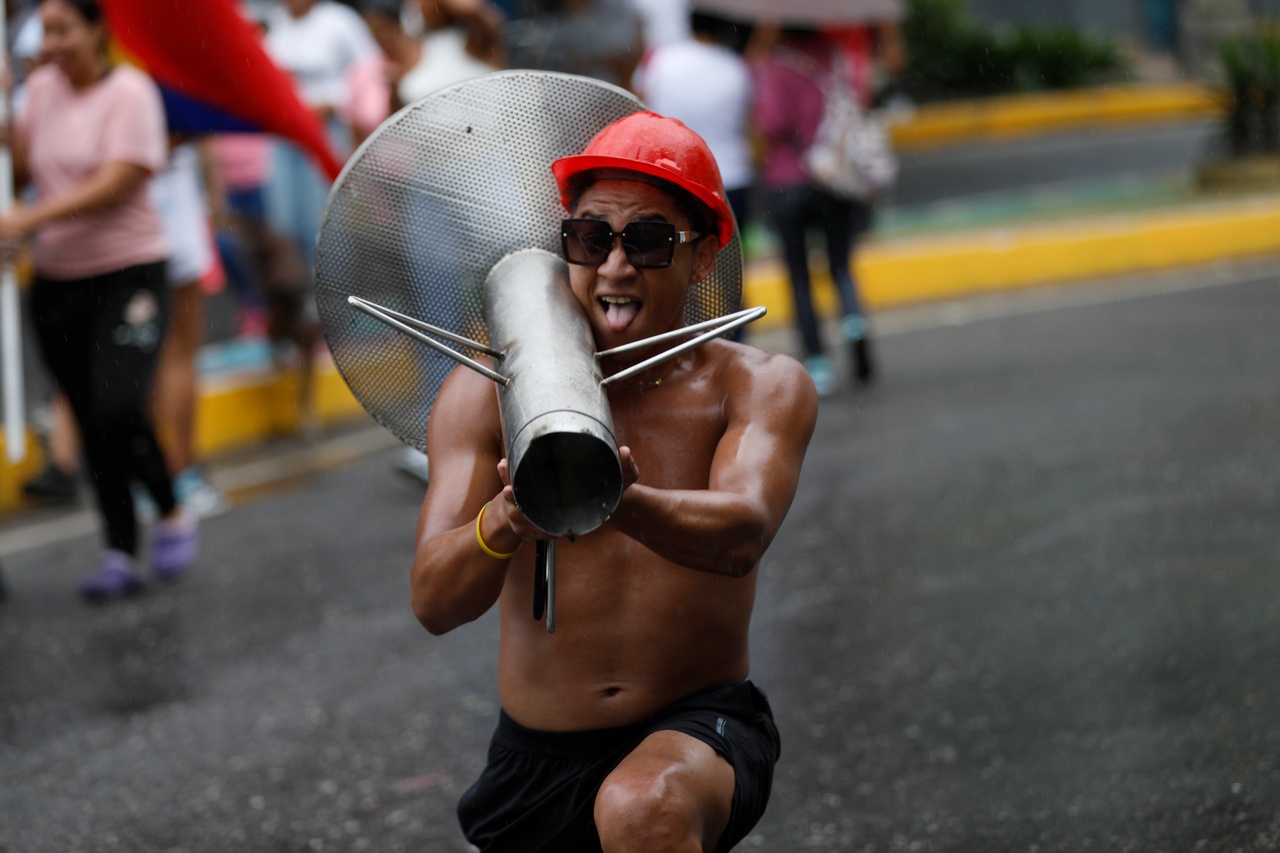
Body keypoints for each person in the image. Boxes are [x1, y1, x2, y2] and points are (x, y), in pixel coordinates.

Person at [411, 111, 817, 850]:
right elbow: (434, 600)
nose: (616, 267)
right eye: (592, 239)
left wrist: (617, 498)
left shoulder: (757, 384)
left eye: (649, 240)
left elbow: (742, 531)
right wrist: (506, 519)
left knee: (641, 807)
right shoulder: (484, 391)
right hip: (534, 758)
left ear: (701, 259)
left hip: (699, 727)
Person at [1, 0, 196, 599]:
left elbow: (120, 179)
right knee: (89, 420)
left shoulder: (131, 92)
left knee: (117, 406)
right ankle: (118, 548)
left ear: (97, 29)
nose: (53, 43)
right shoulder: (38, 91)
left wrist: (29, 218)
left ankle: (168, 508)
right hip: (58, 282)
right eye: (45, 33)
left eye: (64, 30)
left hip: (128, 274)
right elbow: (25, 167)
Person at [753, 25, 878, 394]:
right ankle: (855, 326)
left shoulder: (776, 67)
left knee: (799, 276)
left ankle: (818, 363)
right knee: (840, 264)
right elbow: (858, 101)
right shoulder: (835, 60)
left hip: (788, 181)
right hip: (832, 180)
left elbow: (772, 123)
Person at [633, 7, 754, 230]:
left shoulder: (661, 59)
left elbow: (639, 106)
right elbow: (752, 124)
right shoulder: (737, 66)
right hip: (732, 177)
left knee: (679, 253)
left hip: (674, 174)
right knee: (730, 260)